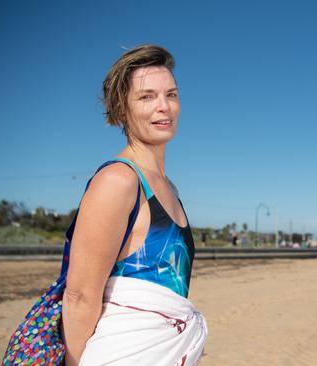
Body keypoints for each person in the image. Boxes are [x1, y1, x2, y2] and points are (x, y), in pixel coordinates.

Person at [62, 45, 207, 366]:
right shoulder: (118, 180)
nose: (163, 107)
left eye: (171, 94)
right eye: (146, 97)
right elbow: (80, 296)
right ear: (121, 109)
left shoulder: (170, 188)